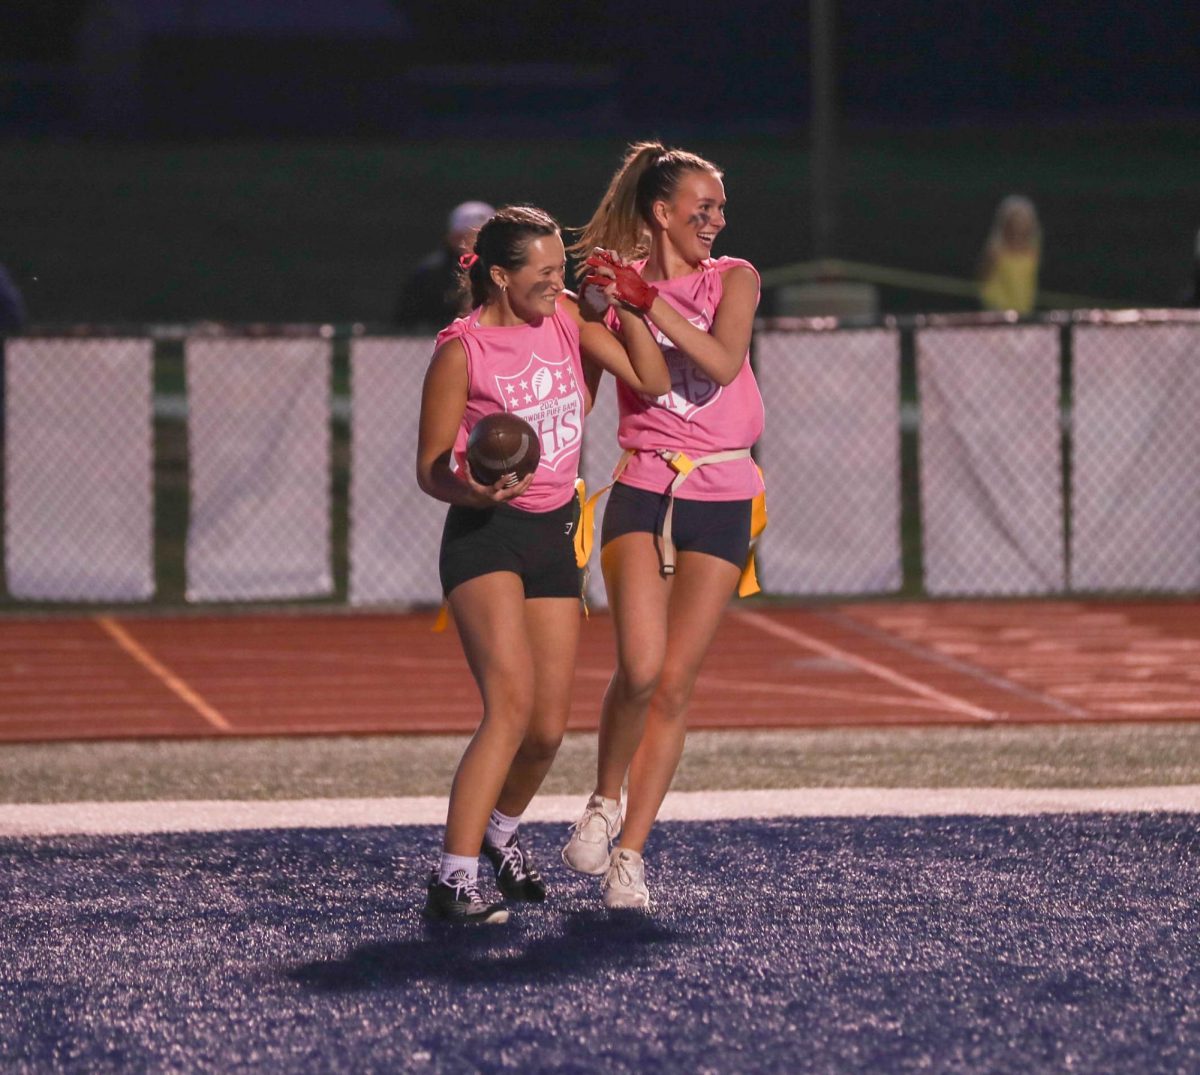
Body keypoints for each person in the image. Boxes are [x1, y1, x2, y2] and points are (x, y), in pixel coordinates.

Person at [415, 205, 669, 923]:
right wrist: (471, 484)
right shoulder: (461, 349)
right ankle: (453, 878)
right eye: (547, 269)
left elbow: (648, 379)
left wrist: (627, 311)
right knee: (511, 706)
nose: (562, 279)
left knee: (550, 728)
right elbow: (431, 466)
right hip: (486, 531)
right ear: (500, 275)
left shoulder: (563, 318)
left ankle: (499, 836)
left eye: (563, 267)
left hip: (556, 531)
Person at [561, 142, 765, 909]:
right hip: (644, 484)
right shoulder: (613, 286)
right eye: (702, 207)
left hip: (722, 488)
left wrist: (647, 302)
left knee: (677, 682)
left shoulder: (735, 278)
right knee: (640, 667)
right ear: (661, 210)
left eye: (719, 208)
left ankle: (632, 854)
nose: (716, 219)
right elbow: (581, 376)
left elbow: (717, 361)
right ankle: (603, 800)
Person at [394, 200, 495, 328]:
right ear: (452, 238)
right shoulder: (429, 274)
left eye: (482, 236)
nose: (476, 242)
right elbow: (407, 320)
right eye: (468, 235)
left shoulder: (508, 271)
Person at [978, 195, 1041, 314]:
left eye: (1024, 220)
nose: (1019, 224)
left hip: (1024, 313)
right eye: (1016, 219)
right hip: (997, 312)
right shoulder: (995, 251)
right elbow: (983, 281)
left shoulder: (1033, 252)